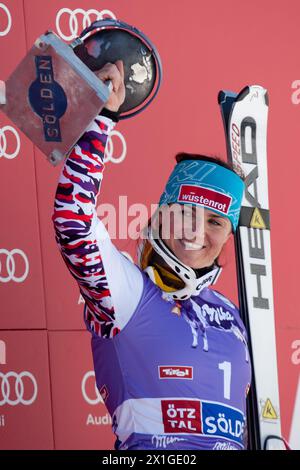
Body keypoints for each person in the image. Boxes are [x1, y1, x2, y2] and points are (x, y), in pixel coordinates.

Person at [52, 60, 251, 450]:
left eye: (215, 222)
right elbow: (73, 222)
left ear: (229, 236)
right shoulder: (128, 294)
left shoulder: (234, 318)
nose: (197, 232)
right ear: (160, 216)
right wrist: (104, 117)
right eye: (186, 213)